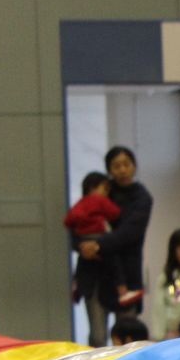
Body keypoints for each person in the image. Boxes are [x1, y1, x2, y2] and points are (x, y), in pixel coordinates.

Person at [75, 146, 152, 346]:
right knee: (97, 338)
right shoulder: (101, 191)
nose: (122, 170)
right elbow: (79, 223)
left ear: (134, 167)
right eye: (116, 166)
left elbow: (130, 233)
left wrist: (98, 245)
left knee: (127, 337)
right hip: (96, 274)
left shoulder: (142, 197)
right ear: (109, 169)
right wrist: (82, 246)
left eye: (127, 164)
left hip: (127, 276)